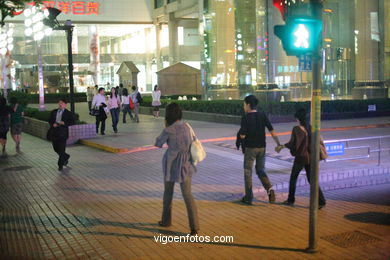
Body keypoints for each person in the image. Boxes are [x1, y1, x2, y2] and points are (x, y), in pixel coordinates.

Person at [155, 103, 199, 235]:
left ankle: (166, 220)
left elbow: (158, 143)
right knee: (187, 195)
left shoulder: (169, 129)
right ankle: (194, 227)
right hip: (186, 164)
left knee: (168, 193)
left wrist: (165, 126)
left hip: (171, 164)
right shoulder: (187, 126)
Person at [275, 109, 326, 209]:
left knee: (293, 178)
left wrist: (282, 146)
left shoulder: (296, 129)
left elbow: (293, 144)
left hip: (301, 157)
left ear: (298, 119)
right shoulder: (311, 128)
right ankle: (321, 201)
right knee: (312, 180)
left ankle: (291, 200)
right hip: (311, 157)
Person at [238, 95, 281, 205]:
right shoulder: (262, 115)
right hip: (262, 148)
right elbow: (272, 130)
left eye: (244, 104)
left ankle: (248, 197)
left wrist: (242, 144)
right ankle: (270, 190)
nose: (244, 107)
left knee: (248, 172)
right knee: (260, 170)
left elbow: (242, 135)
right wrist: (278, 144)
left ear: (248, 104)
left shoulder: (246, 117)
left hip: (250, 148)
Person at [48, 99, 75, 171]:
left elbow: (72, 122)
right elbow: (50, 120)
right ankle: (66, 156)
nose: (60, 104)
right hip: (54, 132)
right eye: (59, 103)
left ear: (65, 105)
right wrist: (52, 124)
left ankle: (60, 165)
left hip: (63, 133)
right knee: (56, 148)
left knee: (62, 149)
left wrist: (64, 123)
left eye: (62, 103)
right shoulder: (54, 111)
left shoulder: (68, 113)